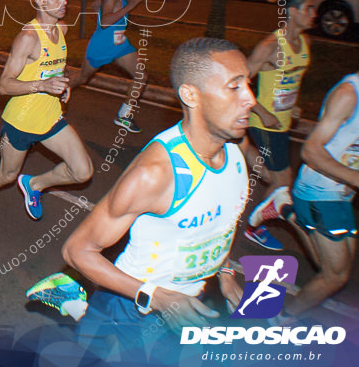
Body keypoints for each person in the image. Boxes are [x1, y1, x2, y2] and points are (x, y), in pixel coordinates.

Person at [59, 37, 253, 364]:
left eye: (249, 83)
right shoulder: (155, 175)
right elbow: (76, 250)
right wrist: (156, 297)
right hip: (129, 312)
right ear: (191, 95)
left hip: (185, 305)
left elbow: (218, 219)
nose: (250, 98)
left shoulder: (238, 150)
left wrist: (225, 271)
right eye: (234, 87)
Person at [251, 31, 359, 319]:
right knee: (335, 275)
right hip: (320, 191)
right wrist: (358, 179)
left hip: (341, 191)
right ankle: (282, 318)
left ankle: (284, 208)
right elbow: (311, 151)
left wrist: (358, 173)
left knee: (329, 263)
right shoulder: (348, 94)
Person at [0, 0, 93, 230]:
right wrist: (42, 85)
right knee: (6, 175)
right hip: (20, 122)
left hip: (50, 117)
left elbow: (55, 68)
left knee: (83, 171)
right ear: (40, 1)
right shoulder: (28, 38)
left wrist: (63, 84)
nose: (64, 1)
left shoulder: (62, 29)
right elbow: (3, 84)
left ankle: (35, 184)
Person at [242, 0, 315, 250]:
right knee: (283, 184)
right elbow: (241, 81)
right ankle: (254, 227)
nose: (314, 13)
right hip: (265, 124)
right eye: (309, 8)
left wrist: (292, 107)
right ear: (293, 11)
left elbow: (288, 81)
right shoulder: (270, 46)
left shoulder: (304, 43)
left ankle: (241, 151)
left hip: (282, 123)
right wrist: (262, 112)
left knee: (280, 180)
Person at [67, 0, 148, 133]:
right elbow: (104, 23)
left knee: (141, 76)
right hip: (102, 45)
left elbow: (96, 6)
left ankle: (124, 115)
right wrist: (130, 6)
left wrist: (101, 3)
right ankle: (56, 91)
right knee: (82, 78)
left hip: (119, 44)